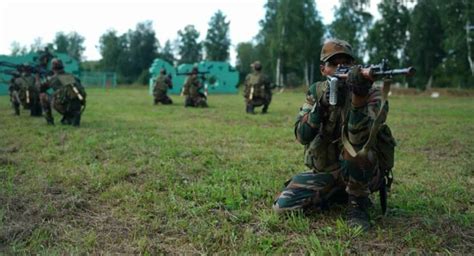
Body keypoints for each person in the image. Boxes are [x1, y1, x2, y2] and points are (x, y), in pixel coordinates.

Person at [272, 39, 396, 231]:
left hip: (364, 172)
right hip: (329, 172)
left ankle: (357, 204)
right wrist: (321, 105)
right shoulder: (317, 91)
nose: (341, 68)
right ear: (323, 69)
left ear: (354, 66)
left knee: (357, 152)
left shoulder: (372, 94)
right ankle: (340, 194)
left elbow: (359, 140)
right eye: (333, 64)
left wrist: (358, 98)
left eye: (346, 63)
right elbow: (302, 136)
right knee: (283, 206)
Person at [38, 58, 86, 126]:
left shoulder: (52, 78)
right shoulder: (72, 76)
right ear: (62, 67)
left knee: (42, 95)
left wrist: (40, 79)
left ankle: (50, 121)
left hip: (64, 107)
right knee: (66, 97)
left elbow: (40, 89)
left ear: (53, 68)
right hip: (77, 107)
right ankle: (72, 116)